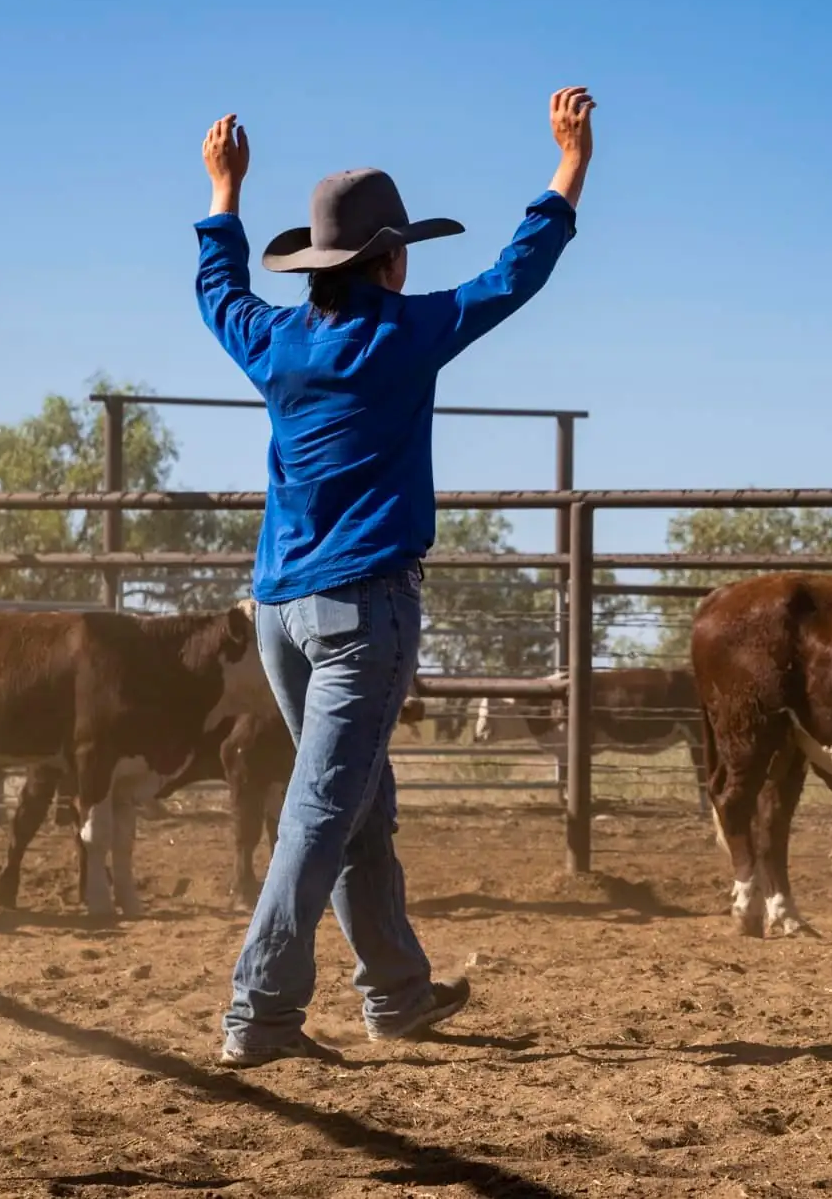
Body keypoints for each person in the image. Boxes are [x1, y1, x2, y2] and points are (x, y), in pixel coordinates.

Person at [196, 86, 596, 1067]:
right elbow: (513, 275)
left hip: (279, 610)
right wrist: (569, 165)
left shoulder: (275, 341)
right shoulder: (404, 334)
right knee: (326, 809)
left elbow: (218, 292)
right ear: (390, 257)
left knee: (356, 798)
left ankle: (396, 993)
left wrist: (223, 193)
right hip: (361, 611)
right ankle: (261, 1014)